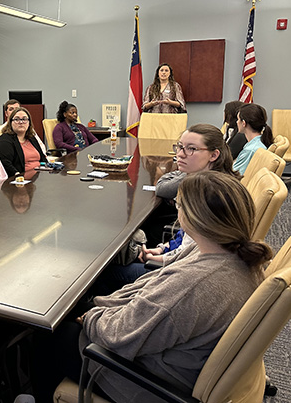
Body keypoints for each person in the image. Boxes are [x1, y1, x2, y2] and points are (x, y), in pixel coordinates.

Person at [73, 171, 273, 402]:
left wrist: (91, 316)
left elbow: (118, 336)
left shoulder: (193, 285)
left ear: (193, 217)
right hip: (181, 362)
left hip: (148, 380)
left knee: (51, 338)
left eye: (179, 204)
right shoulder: (232, 255)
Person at [142, 123, 240, 246]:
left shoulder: (211, 193)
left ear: (214, 155)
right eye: (179, 146)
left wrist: (164, 253)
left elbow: (195, 248)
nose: (180, 154)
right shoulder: (206, 177)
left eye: (191, 149)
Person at [0, 107, 47, 177]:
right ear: (10, 122)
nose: (21, 122)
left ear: (29, 123)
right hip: (21, 180)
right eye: (16, 119)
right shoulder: (4, 141)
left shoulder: (31, 138)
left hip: (40, 176)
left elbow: (42, 158)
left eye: (24, 119)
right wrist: (18, 176)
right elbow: (5, 164)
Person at [233, 103, 273, 175]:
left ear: (244, 123)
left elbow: (234, 176)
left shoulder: (251, 150)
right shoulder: (258, 142)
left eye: (238, 119)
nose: (237, 122)